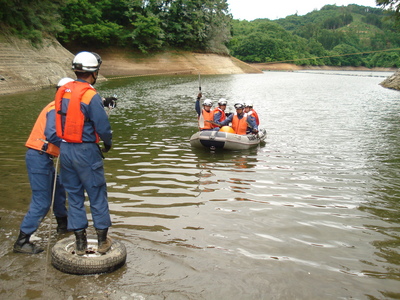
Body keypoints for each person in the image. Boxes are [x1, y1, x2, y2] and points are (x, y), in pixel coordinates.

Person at [55, 51, 113, 255]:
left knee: (74, 196)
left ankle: (80, 244)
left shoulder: (64, 90)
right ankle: (102, 241)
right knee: (97, 194)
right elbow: (102, 126)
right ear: (94, 72)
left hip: (65, 150)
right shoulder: (90, 95)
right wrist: (108, 143)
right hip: (86, 151)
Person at [13, 77, 74, 254]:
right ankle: (22, 241)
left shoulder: (59, 107)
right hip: (39, 157)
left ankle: (63, 227)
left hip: (43, 158)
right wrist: (71, 148)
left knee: (59, 192)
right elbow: (51, 133)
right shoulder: (56, 108)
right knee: (42, 202)